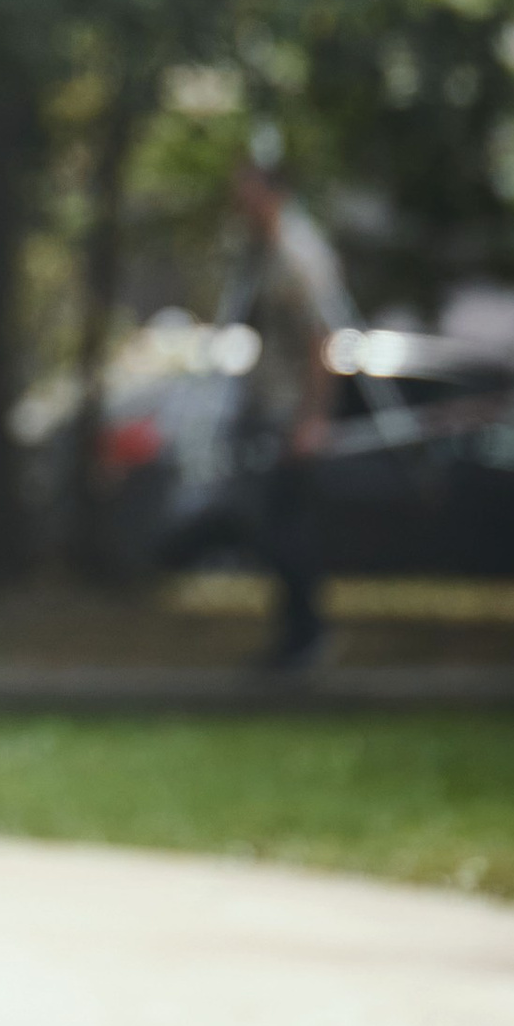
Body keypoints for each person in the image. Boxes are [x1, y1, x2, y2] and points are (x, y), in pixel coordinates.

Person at [224, 143, 354, 676]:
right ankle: (293, 641)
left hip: (291, 416)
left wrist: (312, 420)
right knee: (274, 529)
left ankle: (306, 641)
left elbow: (323, 340)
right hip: (271, 410)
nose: (238, 199)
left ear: (272, 191)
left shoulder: (300, 255)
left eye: (248, 187)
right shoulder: (264, 250)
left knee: (288, 531)